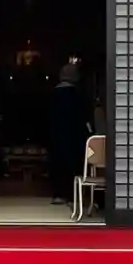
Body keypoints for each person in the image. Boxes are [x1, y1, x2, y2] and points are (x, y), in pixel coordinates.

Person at [48, 63, 92, 205]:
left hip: (56, 135)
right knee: (74, 165)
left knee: (57, 164)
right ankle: (73, 195)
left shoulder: (52, 95)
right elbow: (86, 117)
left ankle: (58, 194)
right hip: (75, 136)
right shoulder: (79, 95)